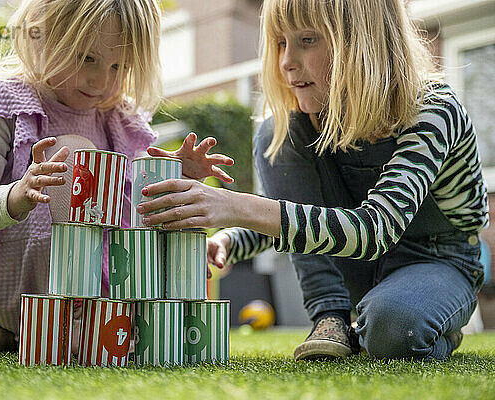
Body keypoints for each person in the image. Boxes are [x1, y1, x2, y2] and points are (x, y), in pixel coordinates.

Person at [138, 0, 488, 361]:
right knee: (276, 131)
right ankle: (330, 317)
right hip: (353, 265)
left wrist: (234, 205)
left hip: (436, 260)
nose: (287, 62)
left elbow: (376, 228)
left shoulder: (432, 110)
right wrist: (232, 237)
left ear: (363, 41)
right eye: (280, 43)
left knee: (394, 328)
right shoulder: (309, 124)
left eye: (307, 40)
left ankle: (431, 319)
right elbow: (307, 213)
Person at [0, 0, 233, 353]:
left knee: (142, 239)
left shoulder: (119, 119)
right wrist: (16, 194)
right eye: (86, 58)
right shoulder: (5, 104)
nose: (100, 81)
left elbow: (142, 207)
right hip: (19, 276)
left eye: (119, 66)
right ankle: (38, 327)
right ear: (42, 36)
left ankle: (54, 336)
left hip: (109, 296)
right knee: (72, 160)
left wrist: (177, 176)